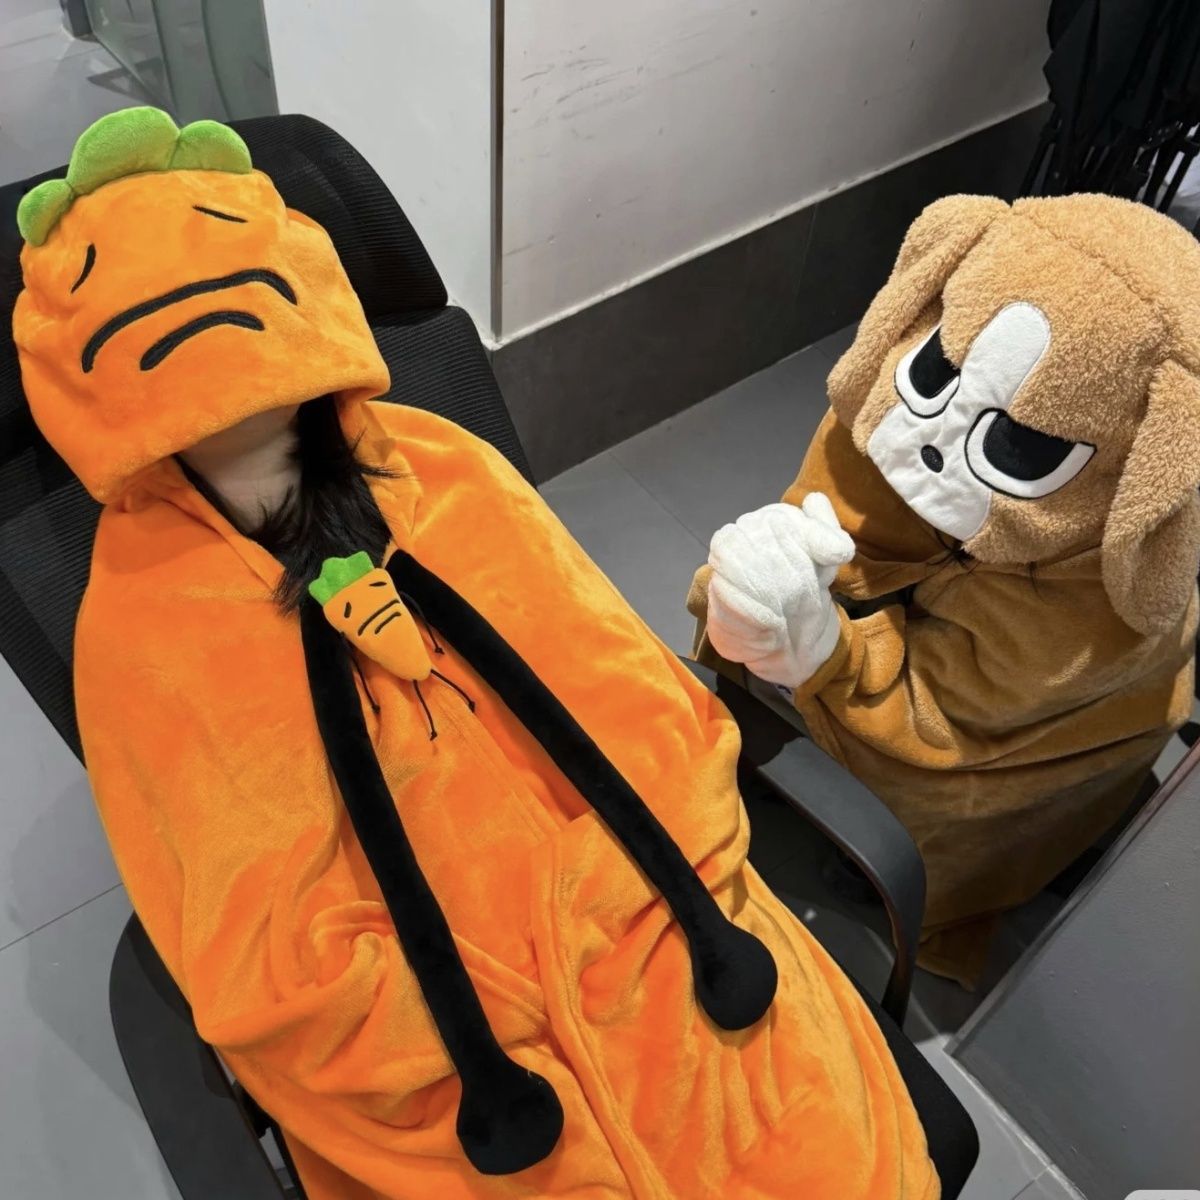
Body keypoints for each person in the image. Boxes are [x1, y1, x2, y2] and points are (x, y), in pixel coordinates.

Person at [14, 108, 939, 1198]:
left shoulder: (447, 471)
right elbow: (265, 962)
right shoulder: (143, 624)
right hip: (448, 1072)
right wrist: (501, 1004)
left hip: (667, 924)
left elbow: (632, 697)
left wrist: (616, 927)